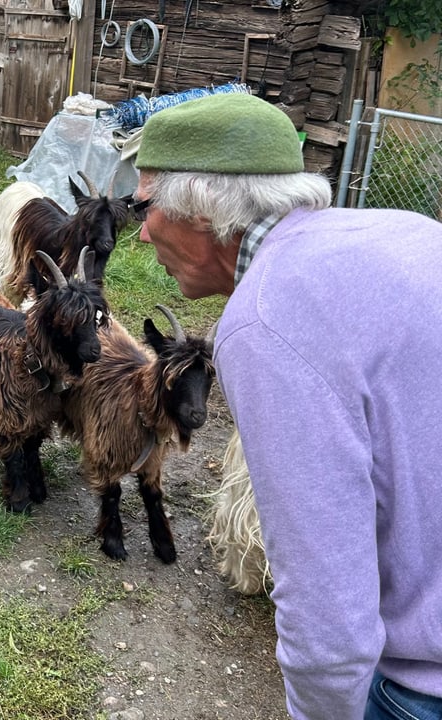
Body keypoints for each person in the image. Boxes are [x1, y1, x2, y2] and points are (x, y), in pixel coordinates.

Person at [132, 91, 442, 720]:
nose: (140, 232)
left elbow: (329, 618)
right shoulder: (406, 233)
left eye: (145, 207)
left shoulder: (267, 320)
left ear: (200, 210)